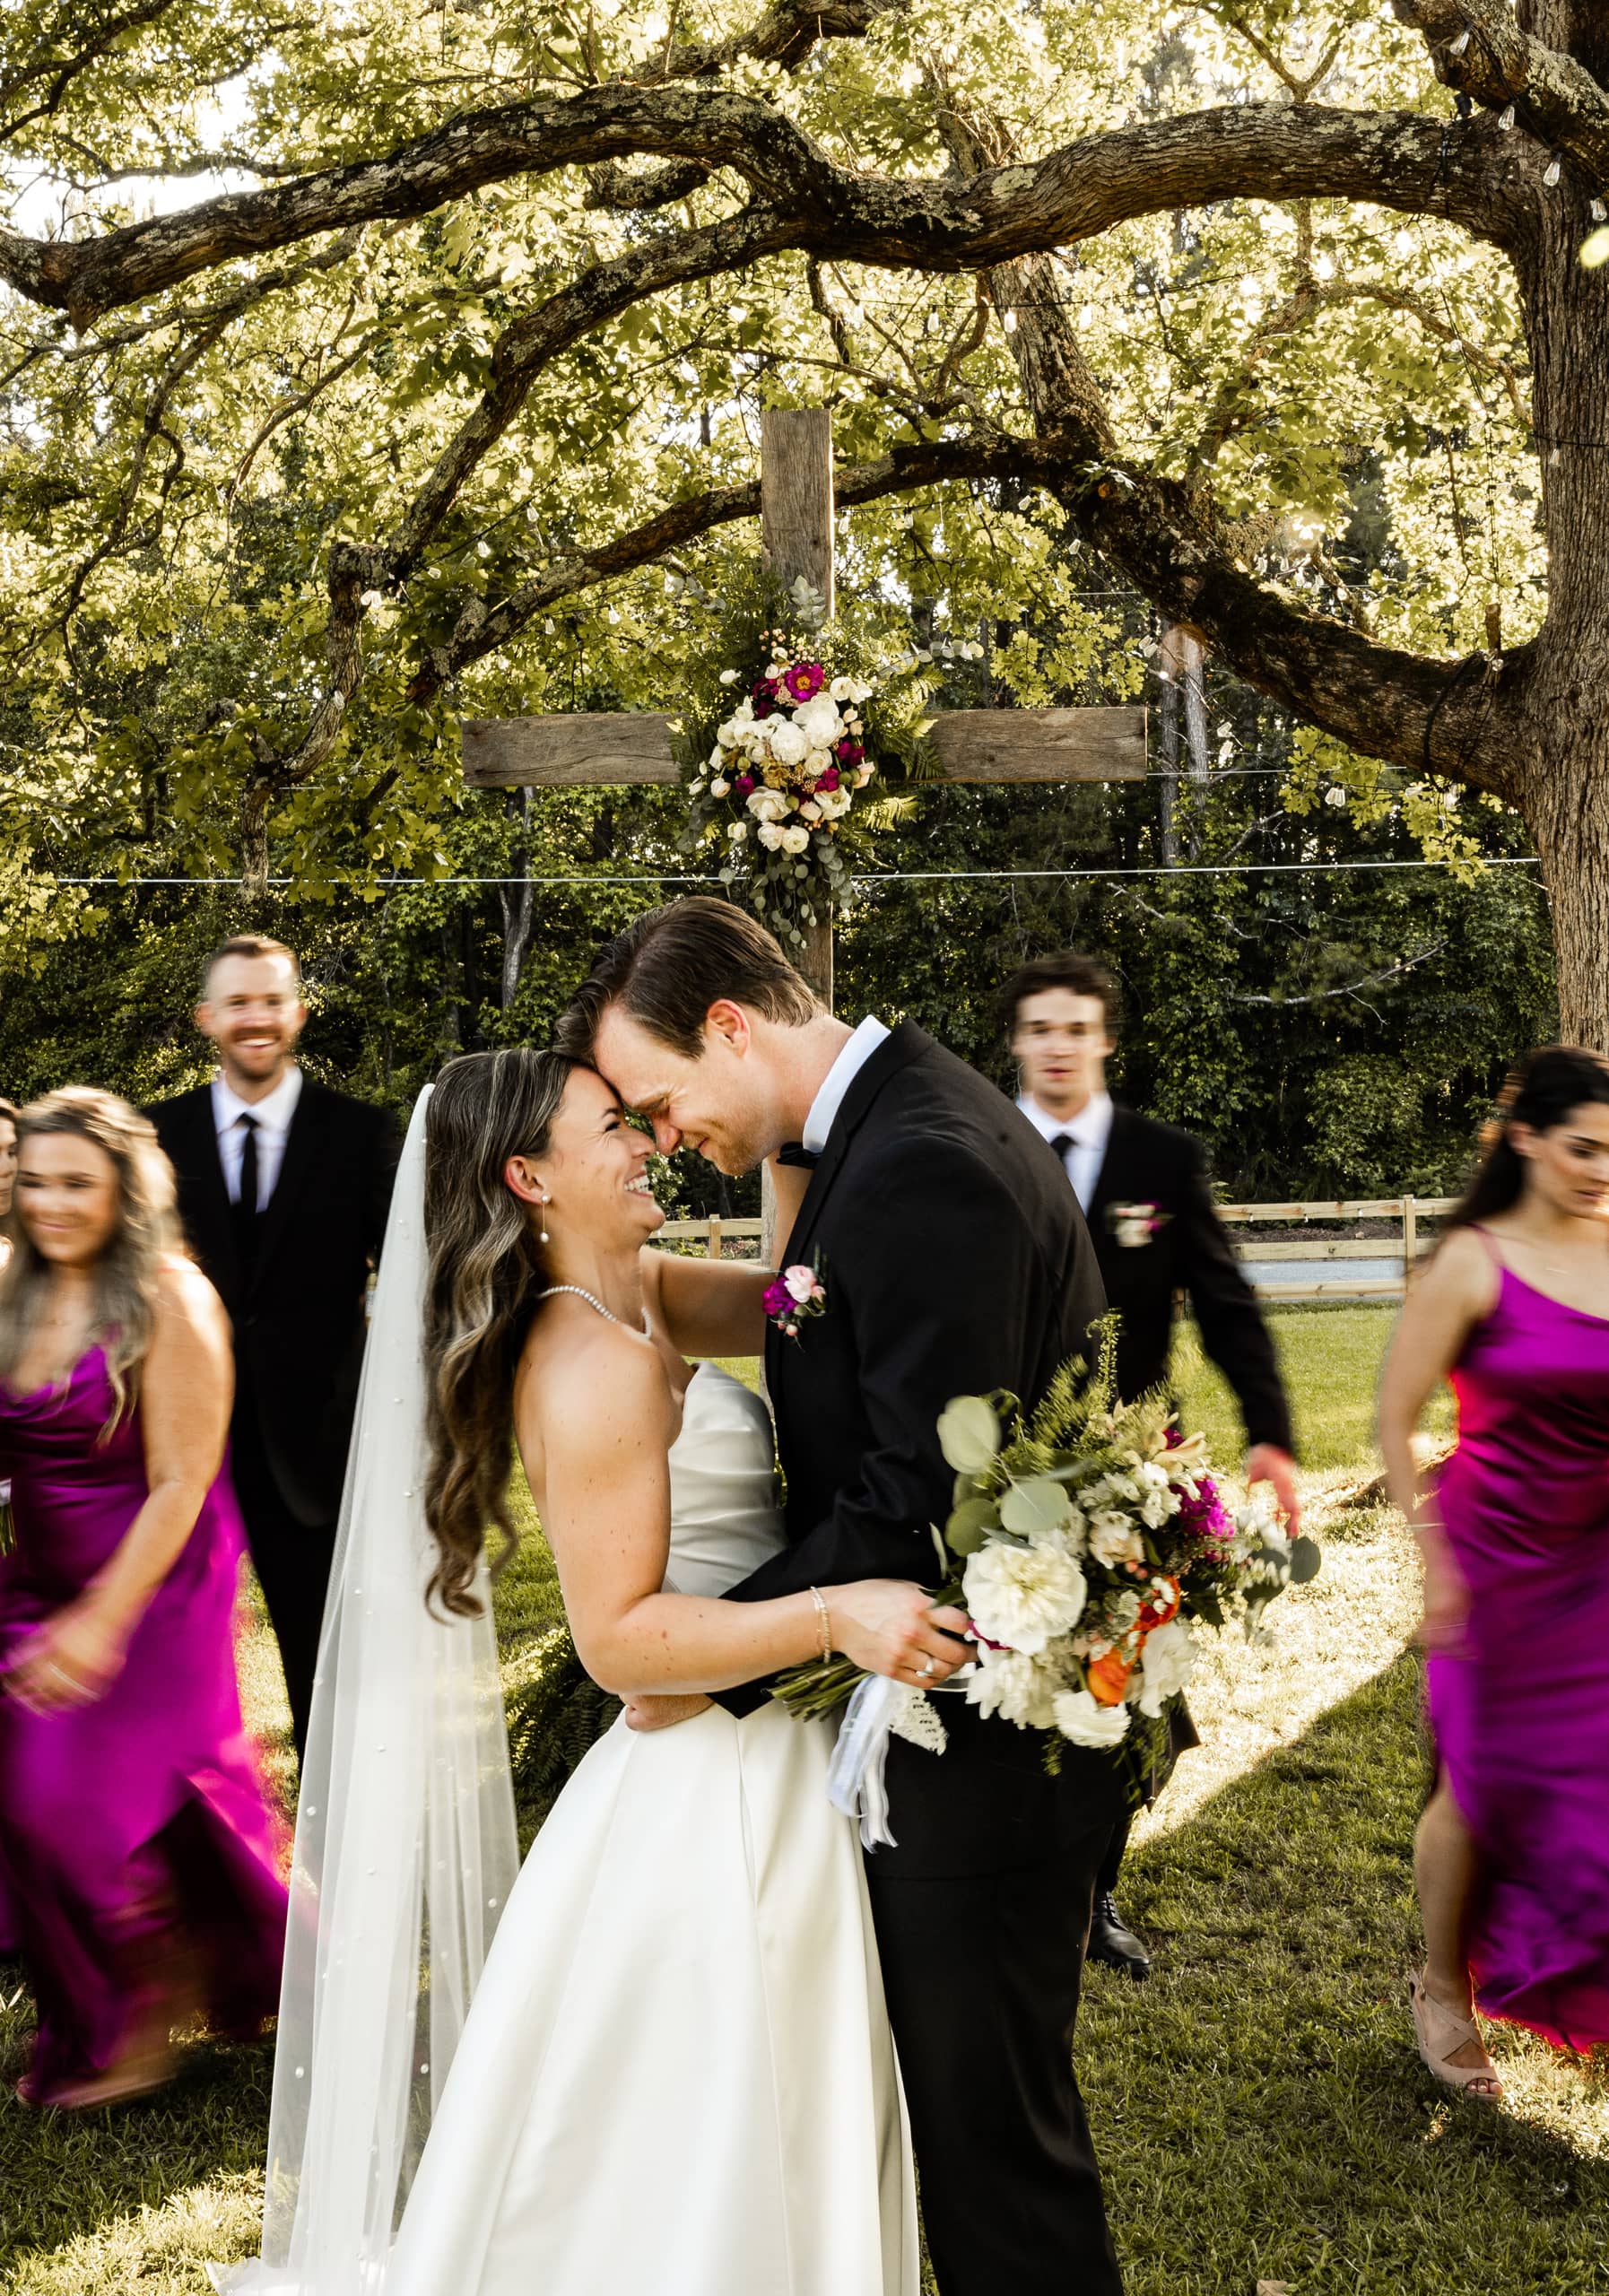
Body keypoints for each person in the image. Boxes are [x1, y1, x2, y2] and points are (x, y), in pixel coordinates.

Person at [228, 1048, 966, 2294]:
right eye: (615, 1127)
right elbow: (616, 1642)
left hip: (762, 1738)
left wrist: (788, 1112)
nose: (648, 1144)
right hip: (712, 1781)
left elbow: (797, 1295)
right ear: (529, 1175)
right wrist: (839, 1613)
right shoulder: (589, 1363)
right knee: (723, 2116)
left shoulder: (643, 1295)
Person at [564, 900, 1124, 2296]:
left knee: (995, 2166)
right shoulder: (879, 1134)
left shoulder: (920, 1166)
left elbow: (906, 1507)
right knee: (967, 2139)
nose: (664, 1132)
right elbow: (801, 1318)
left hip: (981, 1755)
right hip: (937, 1723)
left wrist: (694, 1652)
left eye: (660, 1097)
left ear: (732, 1028)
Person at [1003, 948, 1298, 1979]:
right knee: (1015, 1671)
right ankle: (1016, 1868)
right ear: (1015, 1042)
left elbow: (1222, 1298)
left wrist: (1271, 1426)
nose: (1057, 1047)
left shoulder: (1161, 1162)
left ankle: (1098, 1889)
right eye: (1039, 1028)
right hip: (1005, 1466)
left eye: (1076, 1028)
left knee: (1131, 1689)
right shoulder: (979, 1151)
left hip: (1137, 1471)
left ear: (1105, 1040)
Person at [0, 1089, 288, 2109]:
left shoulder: (172, 1295)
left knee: (65, 1798)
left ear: (126, 1186)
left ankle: (136, 2025)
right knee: (32, 1805)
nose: (51, 1203)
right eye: (34, 1181)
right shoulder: (12, 1293)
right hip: (37, 1583)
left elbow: (180, 1480)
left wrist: (103, 1619)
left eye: (75, 1182)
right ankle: (147, 1984)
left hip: (159, 1583)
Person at [1379, 1045, 1609, 2100]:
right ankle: (1439, 1983)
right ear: (1524, 1138)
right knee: (1479, 1783)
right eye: (1582, 1147)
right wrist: (1433, 1562)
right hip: (1494, 1562)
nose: (1600, 1168)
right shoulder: (1473, 1258)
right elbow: (1394, 1417)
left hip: (1599, 1558)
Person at [152, 935, 400, 1761]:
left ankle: (329, 1849)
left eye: (271, 1000)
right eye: (237, 1003)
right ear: (206, 1018)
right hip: (183, 1446)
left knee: (321, 1666)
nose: (255, 1018)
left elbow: (402, 1288)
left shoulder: (361, 1135)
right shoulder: (156, 1137)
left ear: (296, 1011)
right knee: (173, 1663)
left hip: (318, 1451)